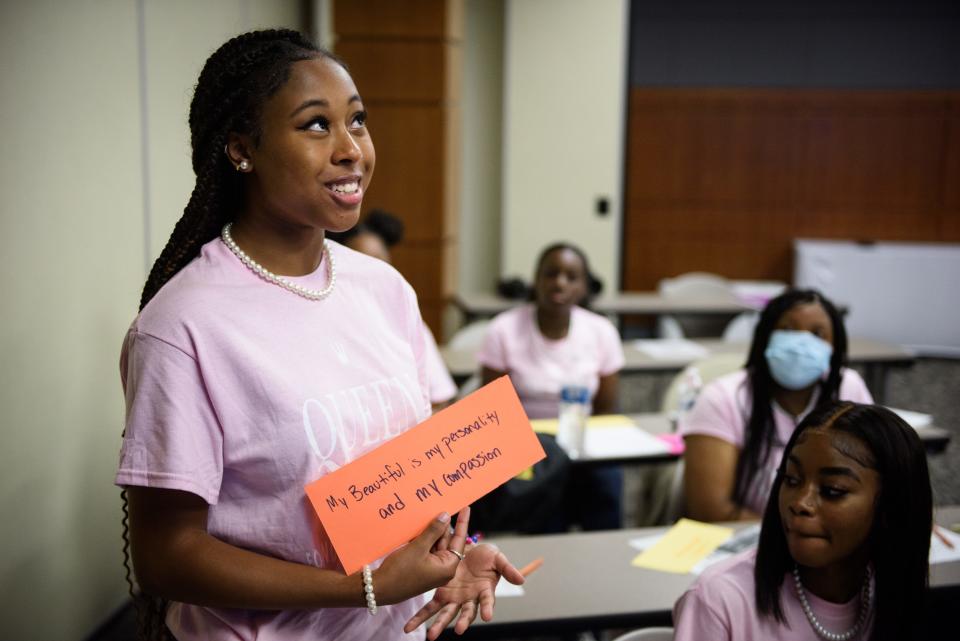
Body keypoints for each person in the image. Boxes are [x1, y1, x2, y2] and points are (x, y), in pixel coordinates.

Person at [114, 29, 523, 641]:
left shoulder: (384, 289)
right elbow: (167, 555)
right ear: (241, 149)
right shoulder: (182, 326)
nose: (350, 149)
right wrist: (364, 589)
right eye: (314, 125)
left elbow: (420, 476)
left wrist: (451, 558)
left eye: (357, 121)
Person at [673, 401, 933, 641]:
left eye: (832, 490)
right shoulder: (720, 599)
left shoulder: (895, 593)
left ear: (890, 506)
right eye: (791, 480)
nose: (800, 503)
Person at [680, 288, 873, 522]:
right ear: (765, 336)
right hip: (751, 536)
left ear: (834, 348)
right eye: (789, 330)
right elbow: (710, 510)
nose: (802, 343)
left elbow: (875, 478)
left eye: (818, 334)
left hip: (830, 538)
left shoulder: (847, 388)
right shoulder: (722, 398)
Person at [477, 243, 625, 531]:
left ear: (584, 287)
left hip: (583, 439)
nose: (560, 282)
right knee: (545, 505)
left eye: (572, 277)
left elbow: (606, 408)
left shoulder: (601, 331)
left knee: (607, 482)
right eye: (551, 274)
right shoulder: (503, 329)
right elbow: (491, 410)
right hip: (525, 441)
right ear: (536, 279)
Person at [328, 209, 458, 412]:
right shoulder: (331, 330)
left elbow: (440, 400)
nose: (372, 272)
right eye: (361, 262)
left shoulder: (408, 323)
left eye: (380, 261)